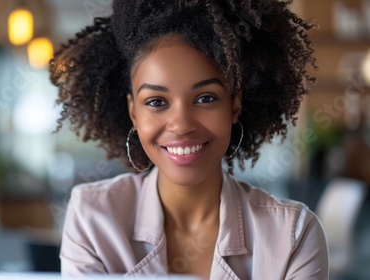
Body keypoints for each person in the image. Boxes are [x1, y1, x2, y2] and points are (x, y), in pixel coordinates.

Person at [49, 0, 329, 278]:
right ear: (133, 112)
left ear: (234, 105)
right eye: (157, 102)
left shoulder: (292, 235)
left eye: (206, 98)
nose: (181, 125)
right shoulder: (92, 217)